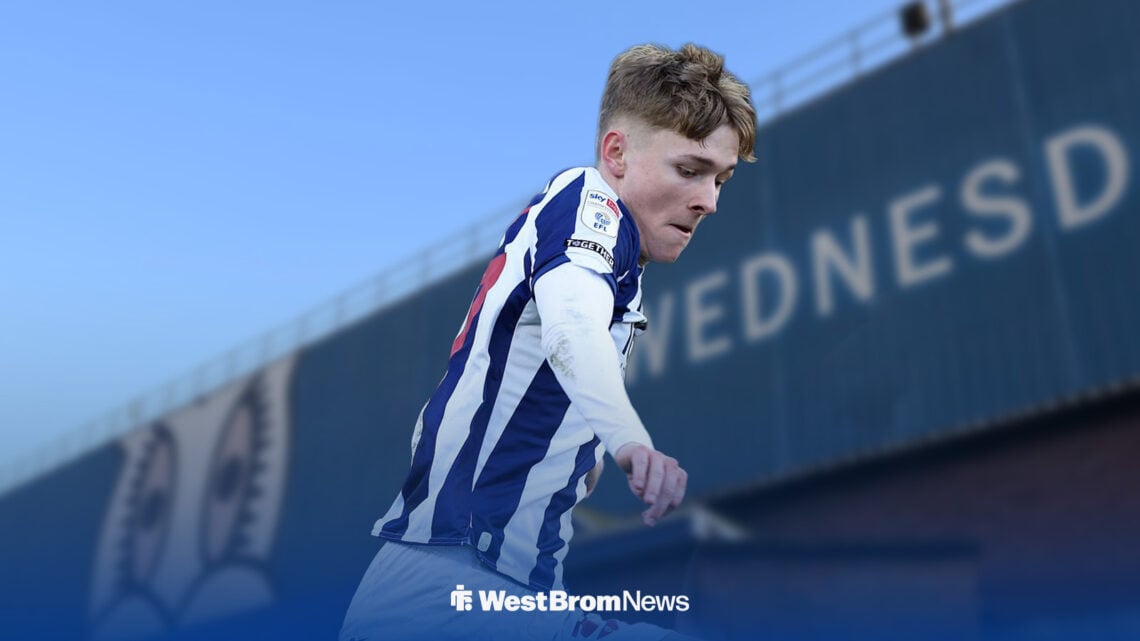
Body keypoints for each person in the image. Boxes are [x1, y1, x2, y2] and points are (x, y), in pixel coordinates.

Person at [339, 42, 756, 641]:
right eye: (690, 170)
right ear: (616, 153)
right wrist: (630, 442)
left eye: (721, 179)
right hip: (455, 590)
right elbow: (572, 329)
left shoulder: (616, 273)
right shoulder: (588, 202)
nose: (709, 200)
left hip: (487, 591)